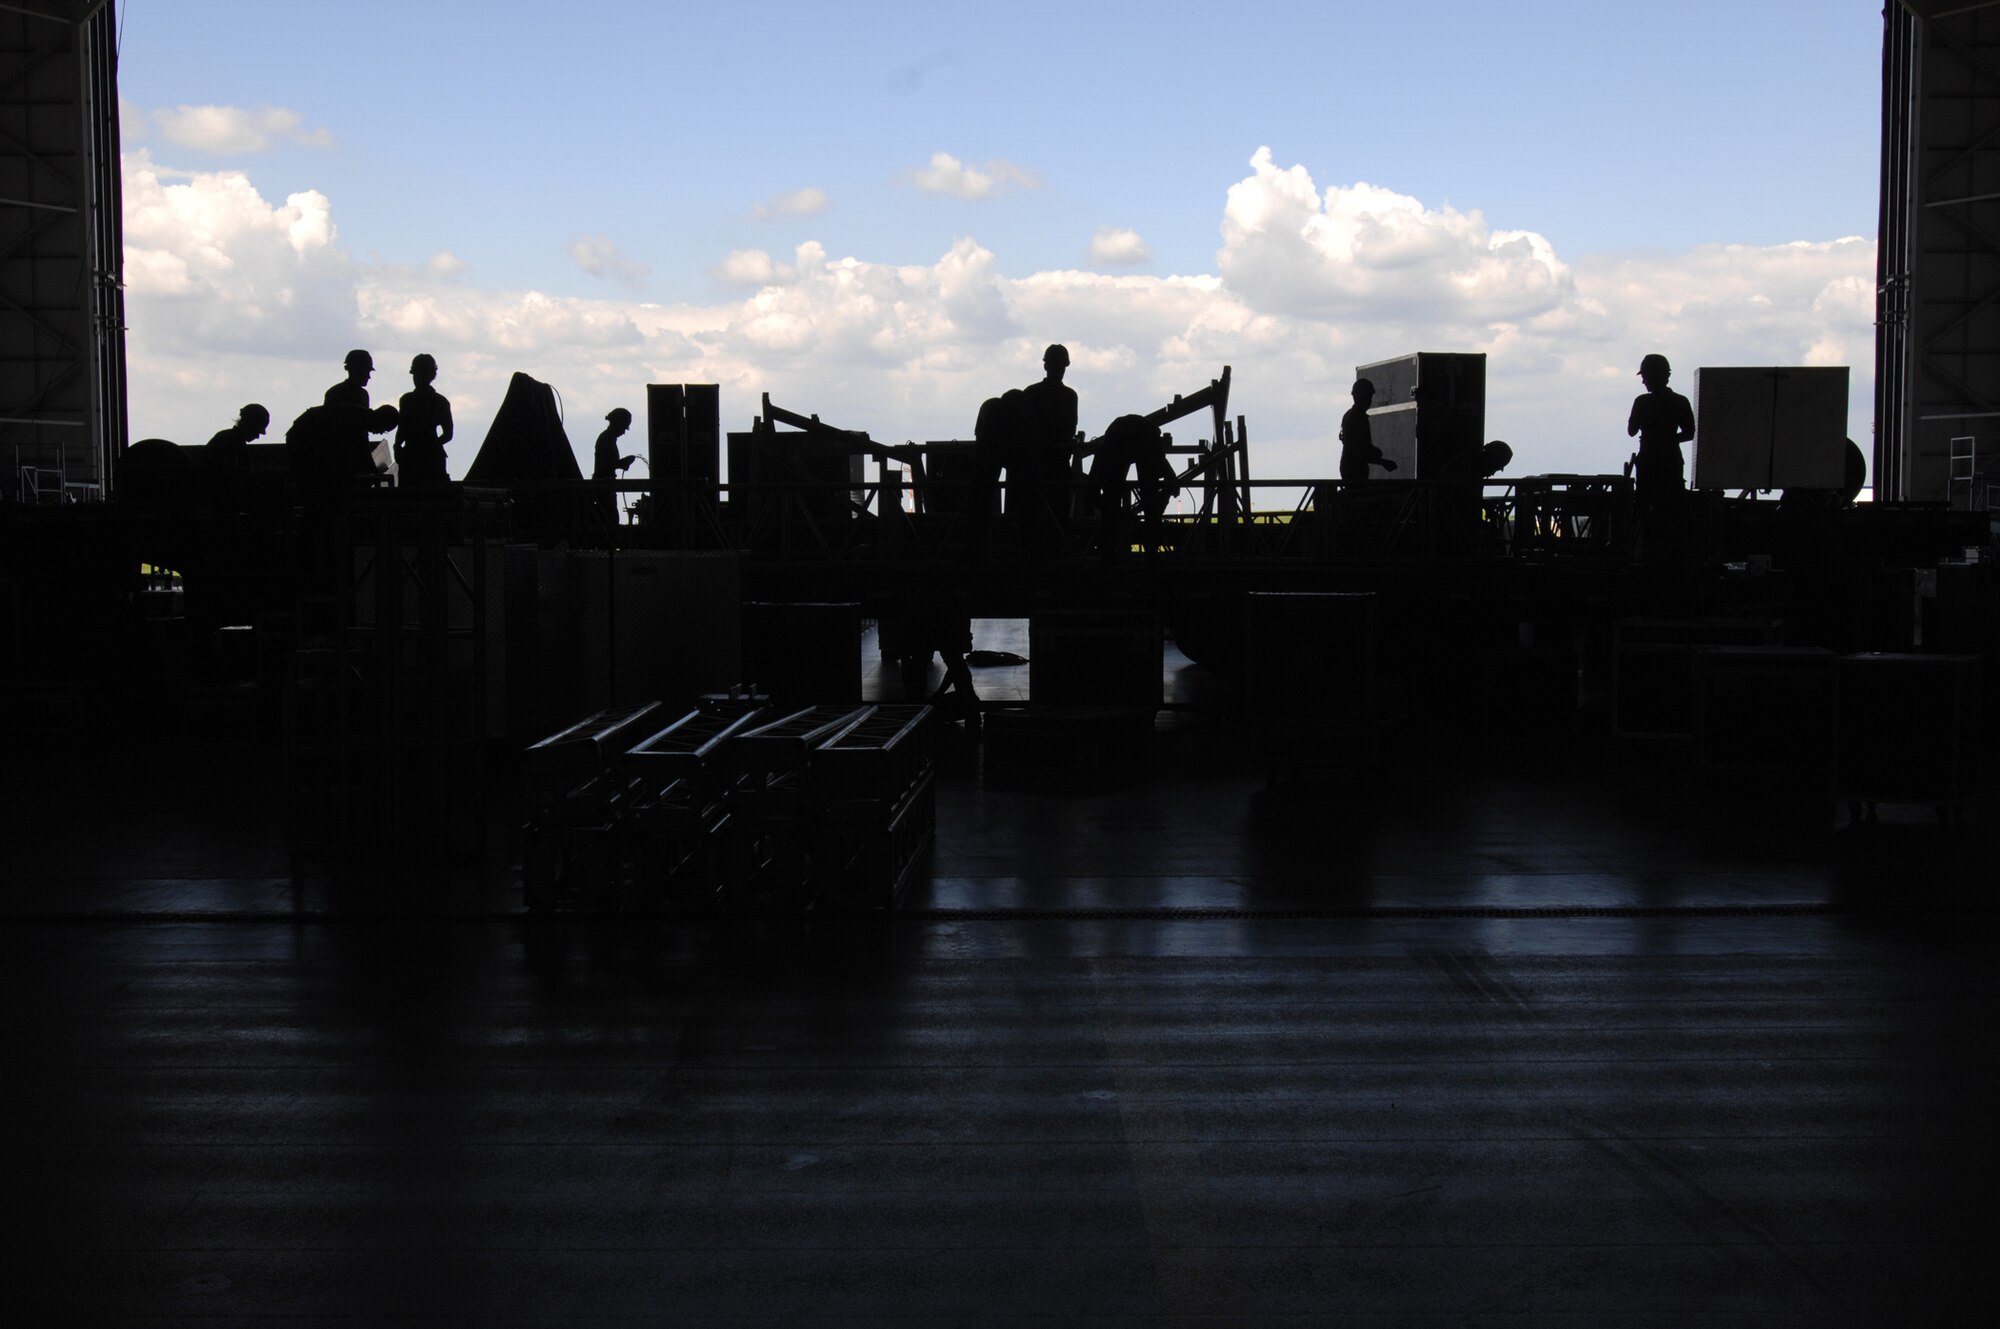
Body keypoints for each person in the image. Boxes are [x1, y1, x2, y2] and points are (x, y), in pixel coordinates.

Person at [1626, 353, 1695, 561]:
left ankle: (1649, 555)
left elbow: (1631, 431)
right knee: (1671, 513)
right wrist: (1669, 439)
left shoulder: (1642, 402)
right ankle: (1669, 556)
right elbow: (1689, 433)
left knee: (1646, 512)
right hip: (1671, 462)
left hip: (1648, 463)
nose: (1643, 380)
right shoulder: (1680, 402)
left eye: (1645, 376)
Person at [1089, 413, 1180, 556]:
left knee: (1113, 494)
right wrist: (1163, 498)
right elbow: (1166, 474)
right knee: (1149, 497)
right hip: (1141, 434)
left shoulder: (1111, 445)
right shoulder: (1146, 437)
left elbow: (1093, 485)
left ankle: (1108, 552)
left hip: (1121, 434)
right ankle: (1151, 554)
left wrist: (1112, 512)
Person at [1020, 344, 1080, 550]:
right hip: (1058, 466)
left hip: (1035, 466)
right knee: (1060, 511)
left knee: (1033, 513)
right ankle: (1059, 548)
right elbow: (1070, 430)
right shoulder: (1070, 397)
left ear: (1045, 366)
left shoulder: (1031, 394)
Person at [394, 354, 454, 488]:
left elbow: (448, 434)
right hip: (416, 456)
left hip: (421, 457)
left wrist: (399, 446)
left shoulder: (410, 400)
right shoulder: (438, 401)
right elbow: (402, 428)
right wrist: (397, 446)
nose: (417, 379)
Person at [1339, 378, 1398, 483]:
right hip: (1355, 471)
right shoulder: (1358, 418)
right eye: (1368, 396)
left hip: (1349, 469)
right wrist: (1382, 461)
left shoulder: (1349, 415)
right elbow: (1360, 452)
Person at [594, 407, 638, 528]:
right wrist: (623, 463)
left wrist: (622, 463)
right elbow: (606, 465)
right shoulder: (606, 440)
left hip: (605, 486)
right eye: (623, 427)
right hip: (604, 487)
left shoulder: (607, 439)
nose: (624, 432)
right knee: (610, 520)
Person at [203, 403, 269, 479]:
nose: (257, 436)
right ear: (249, 425)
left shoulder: (227, 438)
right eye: (256, 430)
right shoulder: (232, 443)